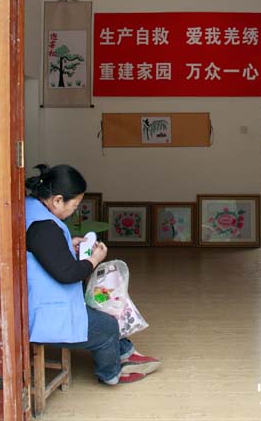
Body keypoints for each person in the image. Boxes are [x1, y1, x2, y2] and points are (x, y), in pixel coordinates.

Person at [25, 164, 160, 385]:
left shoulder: (31, 208)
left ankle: (126, 353)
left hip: (38, 299)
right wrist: (94, 259)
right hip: (43, 314)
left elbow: (42, 250)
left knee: (103, 304)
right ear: (57, 200)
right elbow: (68, 274)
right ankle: (111, 373)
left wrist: (67, 245)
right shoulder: (44, 227)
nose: (75, 210)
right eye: (75, 205)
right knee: (107, 325)